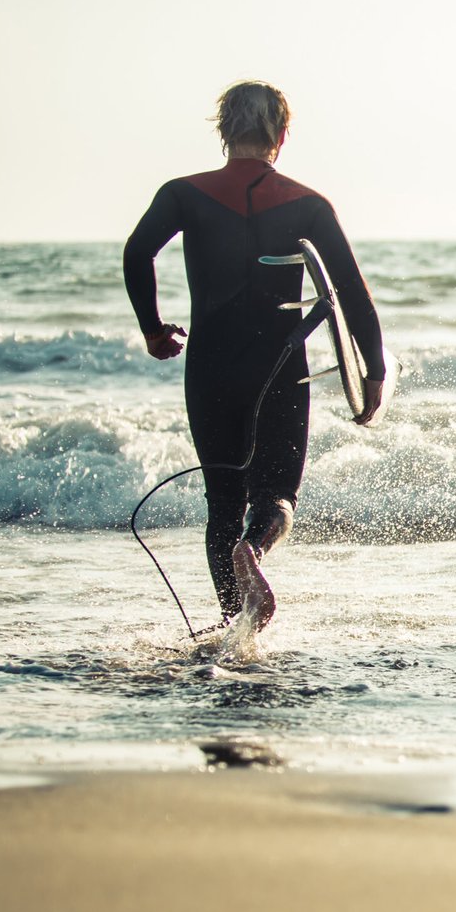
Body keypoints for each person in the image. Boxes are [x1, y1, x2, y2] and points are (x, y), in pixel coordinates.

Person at [123, 81, 385, 633]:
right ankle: (256, 549)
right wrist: (373, 373)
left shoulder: (183, 193)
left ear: (223, 131)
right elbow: (353, 294)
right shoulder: (308, 204)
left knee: (222, 501)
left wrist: (152, 331)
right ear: (282, 135)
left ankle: (234, 628)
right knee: (277, 496)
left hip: (211, 365)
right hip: (281, 367)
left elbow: (137, 251)